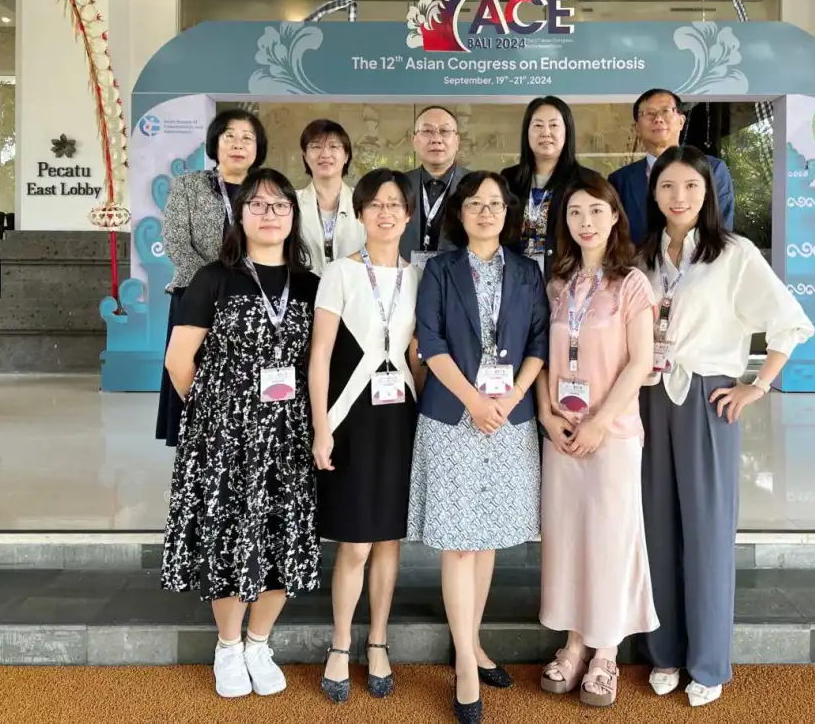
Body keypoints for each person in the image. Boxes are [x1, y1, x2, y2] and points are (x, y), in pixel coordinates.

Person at [638, 145, 813, 707]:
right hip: (647, 396)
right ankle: (664, 652)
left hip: (707, 397)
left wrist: (757, 385)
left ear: (708, 192)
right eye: (668, 186)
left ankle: (709, 661)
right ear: (654, 194)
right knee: (655, 527)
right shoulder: (642, 255)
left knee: (707, 531)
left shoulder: (733, 253)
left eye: (691, 186)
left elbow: (789, 322)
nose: (679, 196)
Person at [160, 168, 321, 699]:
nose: (269, 214)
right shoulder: (213, 277)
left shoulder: (310, 285)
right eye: (257, 205)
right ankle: (228, 646)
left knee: (281, 537)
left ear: (293, 217)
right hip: (225, 438)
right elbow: (179, 361)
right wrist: (218, 415)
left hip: (289, 437)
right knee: (227, 537)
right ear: (240, 215)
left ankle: (259, 643)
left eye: (280, 206)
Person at [409, 170, 549, 724]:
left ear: (508, 213)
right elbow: (430, 340)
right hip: (453, 417)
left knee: (487, 539)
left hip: (508, 420)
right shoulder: (439, 270)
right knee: (459, 544)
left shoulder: (528, 271)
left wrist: (509, 399)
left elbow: (539, 341)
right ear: (460, 213)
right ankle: (465, 664)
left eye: (495, 203)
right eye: (475, 203)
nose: (486, 211)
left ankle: (472, 641)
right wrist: (473, 400)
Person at [536, 173, 657, 709]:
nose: (586, 222)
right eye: (575, 213)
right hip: (562, 433)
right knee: (568, 539)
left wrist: (600, 422)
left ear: (614, 218)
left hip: (612, 434)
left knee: (609, 539)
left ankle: (605, 652)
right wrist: (546, 413)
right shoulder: (557, 284)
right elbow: (541, 356)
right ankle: (573, 643)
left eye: (596, 211)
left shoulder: (632, 284)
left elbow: (640, 362)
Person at [309, 168, 422, 703]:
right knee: (355, 541)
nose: (385, 212)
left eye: (395, 203)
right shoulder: (339, 273)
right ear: (360, 213)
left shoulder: (418, 276)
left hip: (400, 417)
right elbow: (320, 355)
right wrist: (320, 427)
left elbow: (418, 355)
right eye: (375, 203)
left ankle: (377, 640)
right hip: (349, 417)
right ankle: (339, 643)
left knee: (388, 539)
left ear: (408, 214)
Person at [157, 109, 268, 447]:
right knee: (192, 370)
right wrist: (213, 288)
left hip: (251, 299)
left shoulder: (265, 189)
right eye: (229, 136)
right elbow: (176, 240)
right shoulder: (189, 185)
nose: (238, 144)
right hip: (196, 296)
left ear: (258, 147)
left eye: (247, 138)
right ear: (215, 143)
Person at [609, 89, 735, 242]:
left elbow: (721, 232)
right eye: (649, 113)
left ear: (681, 121)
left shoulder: (713, 169)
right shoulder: (620, 180)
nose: (658, 119)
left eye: (666, 111)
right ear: (637, 128)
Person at [500, 96, 603, 279]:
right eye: (538, 125)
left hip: (566, 280)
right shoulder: (509, 179)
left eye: (554, 125)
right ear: (527, 132)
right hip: (515, 280)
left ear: (567, 131)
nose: (545, 133)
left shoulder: (587, 181)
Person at [401, 106, 470, 267]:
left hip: (458, 276)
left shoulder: (475, 185)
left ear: (457, 141)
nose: (436, 139)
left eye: (445, 131)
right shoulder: (398, 185)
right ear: (414, 140)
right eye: (427, 131)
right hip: (404, 276)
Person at [296, 119, 366, 274]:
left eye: (333, 146)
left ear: (346, 155)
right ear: (305, 156)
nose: (325, 154)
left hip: (353, 285)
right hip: (304, 286)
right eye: (316, 146)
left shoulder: (364, 201)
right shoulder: (291, 202)